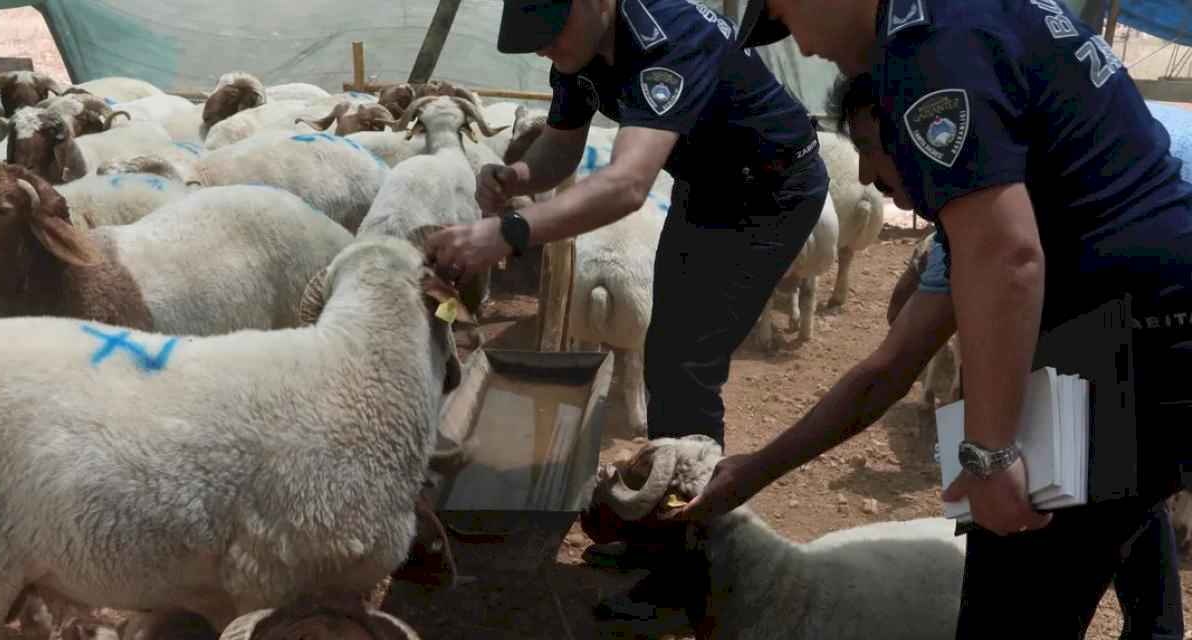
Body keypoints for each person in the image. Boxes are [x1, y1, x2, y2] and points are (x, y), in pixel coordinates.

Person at [668, 0, 1192, 636]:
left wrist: (991, 456)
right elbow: (888, 370)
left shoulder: (923, 49)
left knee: (1008, 612)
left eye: (785, 16)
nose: (802, 46)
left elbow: (1008, 255)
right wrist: (754, 470)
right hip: (1135, 337)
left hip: (1123, 343)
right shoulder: (972, 22)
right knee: (1031, 586)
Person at [422, 0, 830, 616]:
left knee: (687, 362)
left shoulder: (669, 39)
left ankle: (690, 567)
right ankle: (663, 530)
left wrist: (507, 233)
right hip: (707, 185)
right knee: (668, 350)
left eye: (550, 34)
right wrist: (518, 175)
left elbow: (628, 184)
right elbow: (561, 148)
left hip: (769, 190)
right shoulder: (579, 49)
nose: (543, 51)